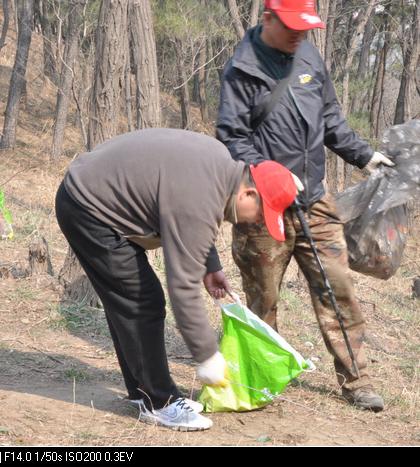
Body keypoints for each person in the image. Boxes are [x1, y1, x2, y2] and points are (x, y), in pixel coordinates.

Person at [216, 0, 393, 412]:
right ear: (267, 18)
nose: (299, 34)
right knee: (263, 300)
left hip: (315, 201)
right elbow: (231, 137)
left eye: (306, 27)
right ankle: (257, 378)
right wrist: (269, 174)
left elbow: (331, 118)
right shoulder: (242, 69)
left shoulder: (310, 55)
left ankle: (357, 380)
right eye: (291, 26)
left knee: (338, 288)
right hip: (261, 207)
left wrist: (364, 155)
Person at [54, 128, 300, 431]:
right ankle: (159, 403)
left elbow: (194, 217)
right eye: (261, 214)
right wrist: (208, 355)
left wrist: (210, 266)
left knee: (130, 299)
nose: (256, 221)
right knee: (142, 300)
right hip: (88, 206)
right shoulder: (201, 195)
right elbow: (182, 286)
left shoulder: (220, 169)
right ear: (249, 193)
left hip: (91, 194)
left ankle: (142, 392)